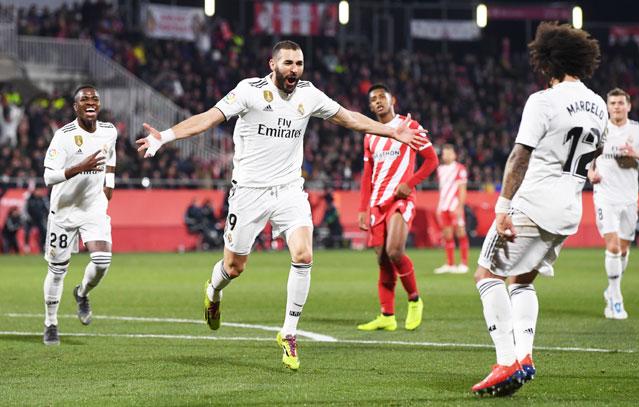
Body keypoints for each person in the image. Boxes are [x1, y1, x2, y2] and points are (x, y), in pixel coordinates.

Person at [136, 41, 424, 371]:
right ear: (272, 63)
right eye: (288, 63)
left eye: (299, 63)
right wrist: (165, 137)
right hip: (248, 192)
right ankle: (213, 291)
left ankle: (288, 333)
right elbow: (208, 118)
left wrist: (390, 131)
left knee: (303, 255)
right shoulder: (248, 91)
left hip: (289, 190)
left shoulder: (309, 94)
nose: (294, 69)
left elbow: (349, 118)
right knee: (234, 268)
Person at [471, 22, 606, 396]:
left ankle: (505, 362)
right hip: (569, 210)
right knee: (522, 280)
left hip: (533, 204)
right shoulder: (597, 104)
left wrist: (502, 207)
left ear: (547, 61)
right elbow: (595, 155)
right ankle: (525, 356)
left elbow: (519, 156)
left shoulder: (543, 101)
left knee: (486, 275)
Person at [356, 83, 438, 332]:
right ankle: (387, 315)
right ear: (370, 106)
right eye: (373, 99)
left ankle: (414, 300)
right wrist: (363, 208)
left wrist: (409, 184)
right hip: (377, 203)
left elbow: (431, 160)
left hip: (400, 200)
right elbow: (367, 173)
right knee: (382, 259)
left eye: (382, 96)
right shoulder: (370, 134)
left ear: (393, 100)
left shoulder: (409, 126)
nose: (378, 101)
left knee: (394, 251)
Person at [41, 84, 117, 346]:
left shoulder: (109, 131)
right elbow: (48, 175)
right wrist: (79, 167)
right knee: (58, 269)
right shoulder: (63, 136)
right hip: (64, 210)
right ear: (76, 107)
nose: (91, 101)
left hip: (93, 206)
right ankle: (51, 322)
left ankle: (82, 293)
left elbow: (111, 155)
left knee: (102, 260)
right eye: (84, 99)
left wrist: (110, 182)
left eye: (95, 98)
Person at [591, 88, 639, 320]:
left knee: (624, 250)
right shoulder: (601, 129)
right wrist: (590, 173)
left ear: (629, 106)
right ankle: (616, 300)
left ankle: (610, 290)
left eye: (621, 103)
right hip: (605, 196)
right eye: (613, 103)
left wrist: (637, 155)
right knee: (612, 247)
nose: (617, 107)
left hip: (629, 198)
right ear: (607, 107)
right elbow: (588, 156)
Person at [433, 144, 469, 274]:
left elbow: (462, 189)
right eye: (444, 153)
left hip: (455, 206)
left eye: (449, 153)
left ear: (454, 155)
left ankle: (464, 264)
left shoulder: (460, 168)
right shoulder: (440, 169)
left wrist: (460, 207)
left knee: (460, 232)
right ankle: (450, 264)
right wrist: (439, 205)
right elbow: (442, 189)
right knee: (447, 235)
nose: (446, 155)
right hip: (444, 206)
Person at [24, 188, 49, 253]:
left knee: (44, 232)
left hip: (39, 220)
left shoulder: (42, 199)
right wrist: (28, 218)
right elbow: (25, 209)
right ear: (35, 191)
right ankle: (26, 246)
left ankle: (43, 246)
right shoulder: (29, 199)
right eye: (39, 191)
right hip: (30, 220)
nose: (40, 192)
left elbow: (46, 209)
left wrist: (45, 216)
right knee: (27, 232)